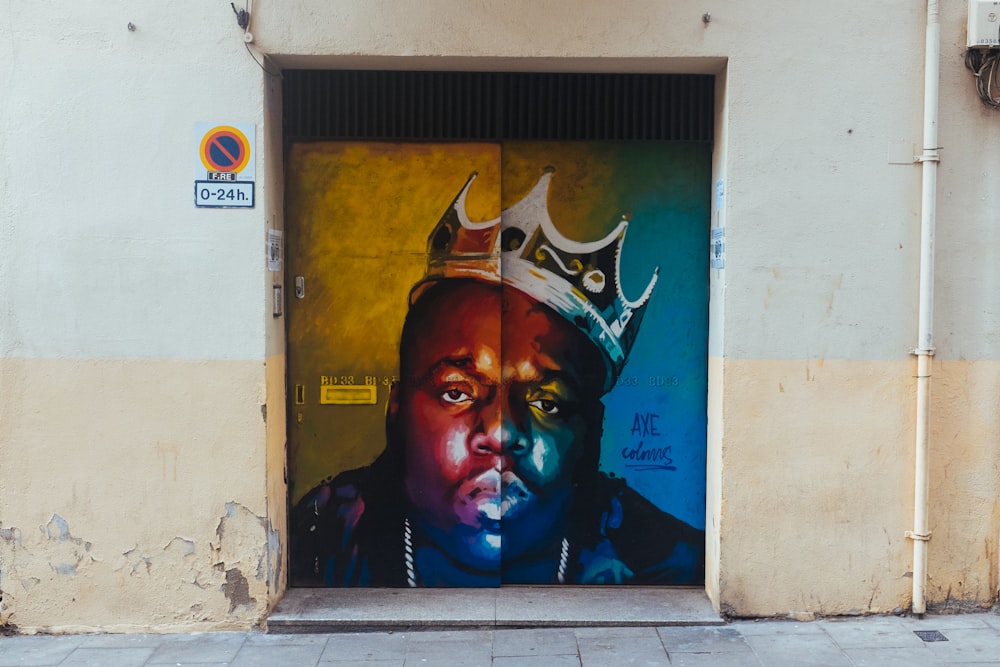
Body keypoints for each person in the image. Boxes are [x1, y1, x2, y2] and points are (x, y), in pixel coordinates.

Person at [291, 170, 704, 587]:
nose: (502, 432)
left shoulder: (662, 560)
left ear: (591, 437)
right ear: (396, 416)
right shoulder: (319, 538)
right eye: (457, 392)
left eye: (548, 403)